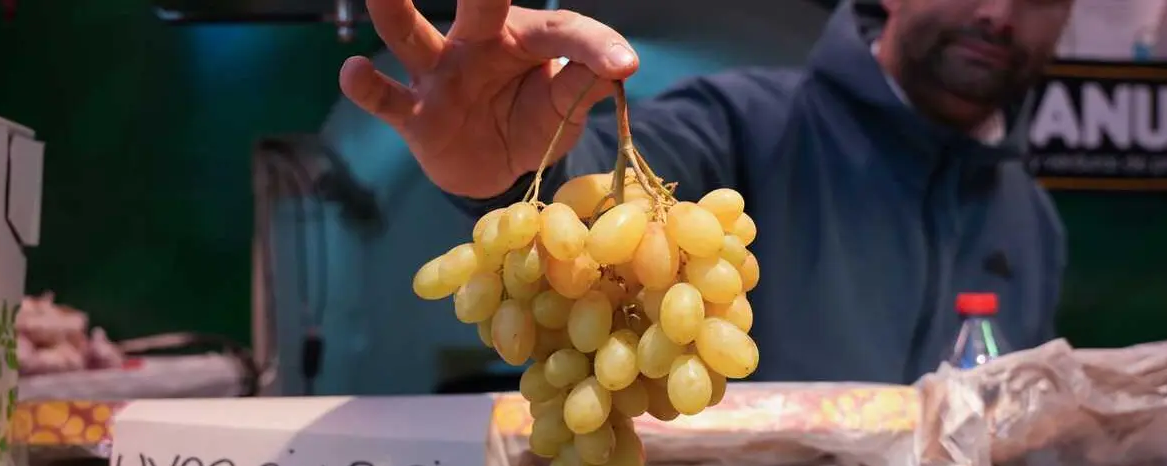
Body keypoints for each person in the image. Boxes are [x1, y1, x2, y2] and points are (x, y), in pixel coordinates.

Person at [340, 0, 1075, 383]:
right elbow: (611, 194)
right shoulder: (750, 124)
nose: (1000, 15)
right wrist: (512, 174)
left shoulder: (1031, 219)